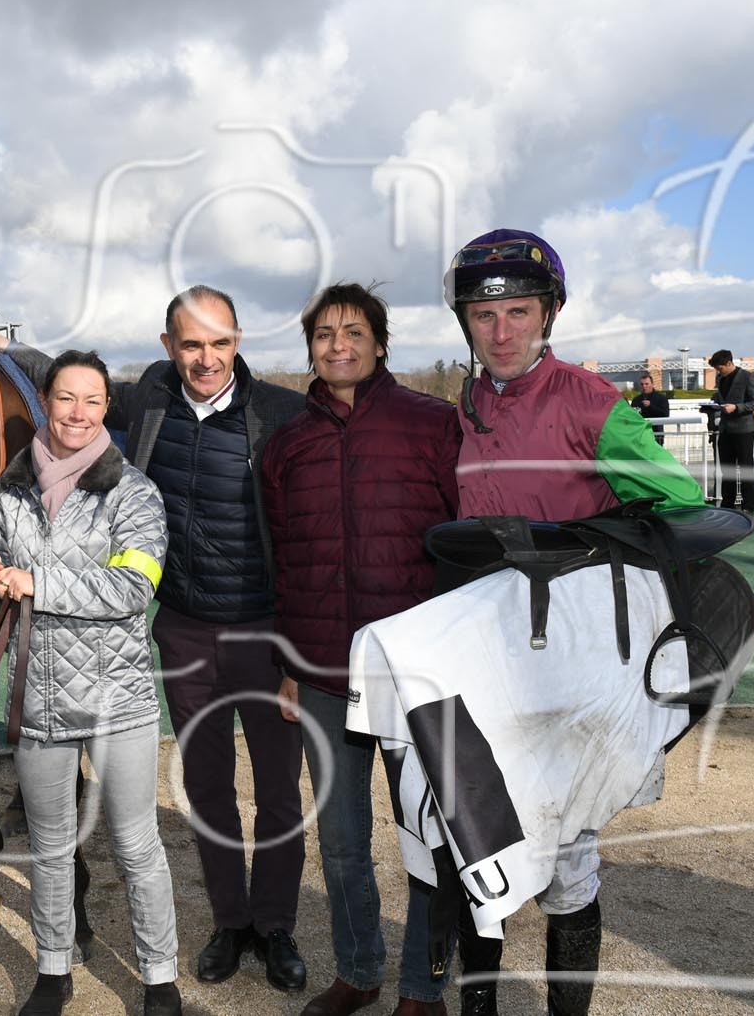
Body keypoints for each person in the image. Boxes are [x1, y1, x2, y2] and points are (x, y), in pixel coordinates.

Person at [0, 286, 308, 993]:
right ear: (169, 347)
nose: (206, 358)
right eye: (191, 344)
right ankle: (230, 923)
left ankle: (276, 926)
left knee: (279, 791)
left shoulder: (281, 413)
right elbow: (70, 386)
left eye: (220, 343)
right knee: (207, 786)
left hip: (265, 630)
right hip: (187, 631)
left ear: (238, 342)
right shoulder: (149, 401)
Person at [443, 229, 705, 1016]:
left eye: (518, 312)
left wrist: (591, 542)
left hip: (572, 661)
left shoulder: (593, 403)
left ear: (548, 313)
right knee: (476, 839)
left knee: (568, 850)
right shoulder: (458, 413)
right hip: (483, 658)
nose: (502, 331)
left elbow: (680, 502)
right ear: (466, 323)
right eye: (484, 315)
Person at [261, 284, 461, 1016]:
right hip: (322, 674)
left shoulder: (433, 424)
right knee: (342, 841)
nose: (337, 345)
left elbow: (464, 547)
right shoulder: (286, 445)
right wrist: (288, 666)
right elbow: (282, 563)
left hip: (415, 673)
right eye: (323, 334)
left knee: (427, 837)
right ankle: (359, 969)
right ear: (310, 347)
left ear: (380, 342)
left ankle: (422, 986)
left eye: (352, 331)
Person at [0, 350, 181, 1016]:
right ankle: (53, 969)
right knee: (49, 849)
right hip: (38, 700)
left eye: (91, 400)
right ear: (45, 400)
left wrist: (36, 582)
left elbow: (131, 588)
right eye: (65, 398)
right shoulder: (8, 492)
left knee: (136, 846)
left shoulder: (135, 492)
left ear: (105, 408)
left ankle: (160, 978)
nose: (77, 412)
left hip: (117, 700)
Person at [708, 349, 754, 515]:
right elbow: (721, 399)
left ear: (729, 363)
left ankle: (748, 506)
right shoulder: (721, 378)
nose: (718, 372)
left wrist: (737, 407)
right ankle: (728, 505)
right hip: (726, 429)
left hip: (744, 429)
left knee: (746, 468)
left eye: (720, 368)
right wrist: (711, 406)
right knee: (727, 469)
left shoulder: (748, 377)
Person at [630, 373, 670, 445]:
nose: (644, 386)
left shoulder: (661, 398)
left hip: (656, 435)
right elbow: (632, 416)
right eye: (642, 384)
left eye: (646, 384)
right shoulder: (636, 400)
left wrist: (650, 406)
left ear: (652, 384)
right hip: (640, 435)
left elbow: (665, 414)